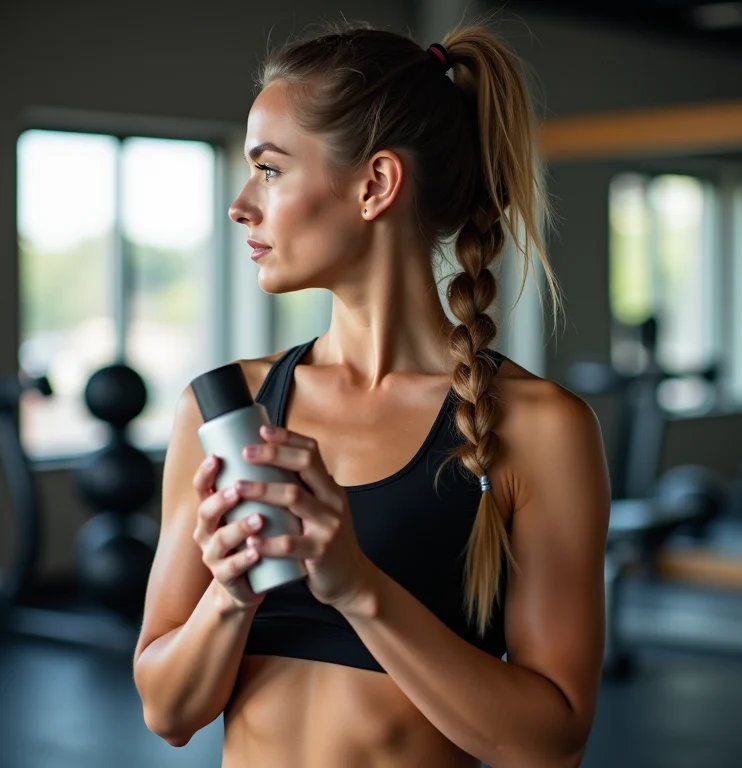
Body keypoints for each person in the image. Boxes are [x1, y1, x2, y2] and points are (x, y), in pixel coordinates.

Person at [133, 20, 610, 768]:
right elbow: (167, 710)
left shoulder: (539, 429)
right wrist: (228, 597)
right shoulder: (225, 412)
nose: (241, 205)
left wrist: (358, 587)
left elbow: (550, 745)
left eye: (270, 169)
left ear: (376, 184)